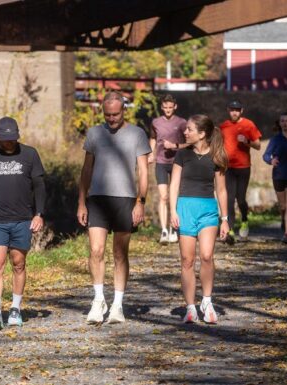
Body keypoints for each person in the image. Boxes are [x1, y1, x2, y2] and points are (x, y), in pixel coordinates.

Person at [77, 91, 150, 325]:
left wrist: (140, 202)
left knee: (120, 254)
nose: (111, 118)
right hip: (97, 198)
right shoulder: (95, 133)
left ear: (124, 110)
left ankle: (117, 304)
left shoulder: (137, 134)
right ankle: (98, 299)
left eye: (116, 114)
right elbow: (86, 169)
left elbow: (144, 172)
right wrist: (81, 201)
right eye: (107, 115)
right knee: (96, 251)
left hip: (125, 199)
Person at [0, 117, 46, 330]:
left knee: (18, 264)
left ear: (17, 136)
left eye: (12, 139)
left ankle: (15, 309)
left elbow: (39, 185)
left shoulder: (30, 154)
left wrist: (39, 214)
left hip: (23, 219)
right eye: (5, 140)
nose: (9, 143)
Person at [170, 114, 230, 324]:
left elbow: (221, 191)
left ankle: (206, 301)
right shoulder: (182, 155)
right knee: (187, 260)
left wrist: (225, 218)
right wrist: (173, 211)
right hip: (185, 208)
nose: (185, 132)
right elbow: (174, 185)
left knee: (206, 256)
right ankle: (190, 308)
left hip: (208, 210)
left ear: (202, 134)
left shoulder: (216, 156)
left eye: (189, 129)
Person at [219, 100, 262, 243]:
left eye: (237, 110)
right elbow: (218, 145)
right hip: (228, 168)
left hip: (243, 167)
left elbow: (258, 145)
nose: (234, 112)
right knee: (229, 199)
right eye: (232, 110)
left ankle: (244, 219)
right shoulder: (223, 126)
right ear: (227, 110)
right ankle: (230, 229)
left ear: (241, 111)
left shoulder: (248, 124)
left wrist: (247, 142)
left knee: (241, 199)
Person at [148, 94, 187, 244]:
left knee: (174, 197)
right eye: (165, 107)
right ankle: (164, 231)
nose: (168, 110)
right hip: (161, 163)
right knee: (164, 196)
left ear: (175, 107)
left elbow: (189, 142)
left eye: (170, 107)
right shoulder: (156, 122)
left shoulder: (182, 123)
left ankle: (174, 229)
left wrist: (174, 146)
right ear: (162, 107)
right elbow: (152, 138)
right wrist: (151, 154)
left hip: (178, 163)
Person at [262, 112, 287, 244]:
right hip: (278, 175)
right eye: (282, 121)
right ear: (280, 123)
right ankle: (283, 217)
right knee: (283, 206)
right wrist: (271, 161)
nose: (285, 123)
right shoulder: (275, 140)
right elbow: (265, 155)